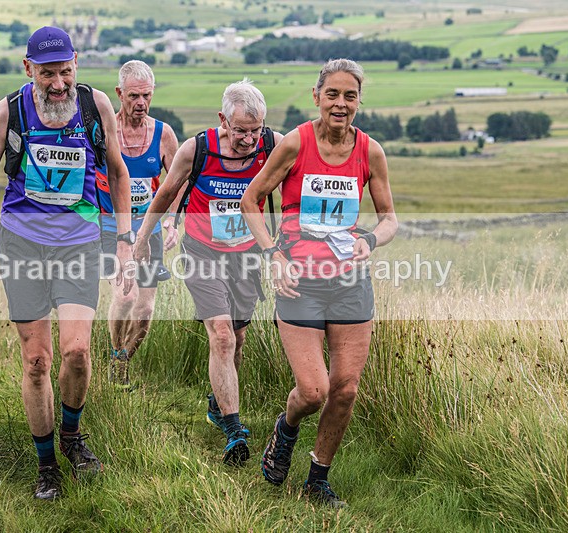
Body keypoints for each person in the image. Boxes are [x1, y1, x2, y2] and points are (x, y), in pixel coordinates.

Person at [0, 26, 134, 501]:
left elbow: (119, 174)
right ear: (28, 69)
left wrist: (124, 242)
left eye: (64, 72)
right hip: (22, 248)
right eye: (46, 74)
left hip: (79, 246)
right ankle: (46, 467)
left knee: (77, 352)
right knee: (37, 361)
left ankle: (72, 435)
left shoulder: (94, 106)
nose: (57, 84)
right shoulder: (10, 111)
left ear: (75, 64)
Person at [240, 58, 398, 507]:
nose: (341, 104)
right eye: (333, 94)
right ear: (317, 97)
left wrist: (370, 238)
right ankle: (285, 429)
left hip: (350, 282)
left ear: (359, 101)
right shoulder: (295, 144)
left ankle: (317, 480)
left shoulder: (370, 152)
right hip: (299, 282)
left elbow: (389, 220)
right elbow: (252, 199)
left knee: (345, 388)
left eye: (350, 96)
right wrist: (273, 255)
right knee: (314, 391)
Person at [134, 80, 283, 465]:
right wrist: (141, 238)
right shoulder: (196, 149)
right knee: (220, 335)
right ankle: (234, 431)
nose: (249, 140)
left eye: (256, 130)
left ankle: (218, 404)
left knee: (237, 336)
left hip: (247, 255)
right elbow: (165, 194)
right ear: (222, 120)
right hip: (202, 252)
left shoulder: (274, 144)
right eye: (241, 131)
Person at [95, 60, 179, 389]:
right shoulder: (104, 133)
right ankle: (116, 356)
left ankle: (124, 359)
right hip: (112, 229)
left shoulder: (164, 134)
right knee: (125, 297)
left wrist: (171, 221)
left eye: (146, 95)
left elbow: (176, 182)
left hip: (150, 230)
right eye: (133, 96)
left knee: (144, 314)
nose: (140, 103)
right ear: (119, 94)